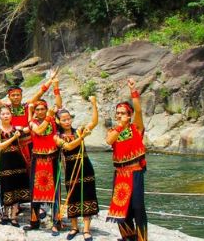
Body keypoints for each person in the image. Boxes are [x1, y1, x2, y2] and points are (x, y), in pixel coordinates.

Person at [0, 72, 56, 168]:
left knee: (33, 170)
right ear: (9, 97)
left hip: (30, 143)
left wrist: (51, 80)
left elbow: (40, 92)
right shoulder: (6, 108)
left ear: (21, 96)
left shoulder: (27, 106)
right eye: (13, 95)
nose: (16, 97)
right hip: (13, 144)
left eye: (18, 95)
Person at [54, 77, 99, 241]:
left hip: (85, 166)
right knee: (72, 196)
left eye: (69, 119)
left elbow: (94, 122)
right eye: (64, 119)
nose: (67, 121)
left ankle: (87, 229)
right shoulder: (56, 136)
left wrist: (94, 104)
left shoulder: (78, 130)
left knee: (87, 195)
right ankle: (74, 227)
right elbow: (68, 147)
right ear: (59, 121)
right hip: (71, 168)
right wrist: (82, 138)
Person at [106, 79, 147, 241]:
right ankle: (128, 237)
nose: (120, 115)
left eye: (123, 113)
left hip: (135, 172)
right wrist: (120, 126)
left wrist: (133, 91)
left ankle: (142, 238)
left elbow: (138, 110)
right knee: (122, 207)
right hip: (120, 174)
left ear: (129, 116)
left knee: (137, 206)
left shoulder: (136, 128)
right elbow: (109, 141)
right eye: (118, 113)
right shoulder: (113, 130)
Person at [26, 98, 61, 233]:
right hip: (38, 160)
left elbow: (59, 105)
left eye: (43, 109)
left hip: (52, 159)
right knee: (35, 191)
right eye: (38, 109)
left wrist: (56, 87)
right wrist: (48, 116)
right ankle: (34, 222)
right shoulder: (32, 123)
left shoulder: (53, 120)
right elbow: (39, 131)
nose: (40, 111)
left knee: (55, 191)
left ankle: (56, 223)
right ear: (35, 112)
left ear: (46, 109)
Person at [0, 104, 31, 227]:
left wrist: (30, 111)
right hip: (5, 161)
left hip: (18, 161)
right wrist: (13, 138)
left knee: (17, 187)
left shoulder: (17, 128)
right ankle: (4, 214)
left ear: (11, 115)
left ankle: (14, 216)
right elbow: (0, 147)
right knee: (6, 187)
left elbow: (30, 128)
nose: (6, 116)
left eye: (8, 114)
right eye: (3, 114)